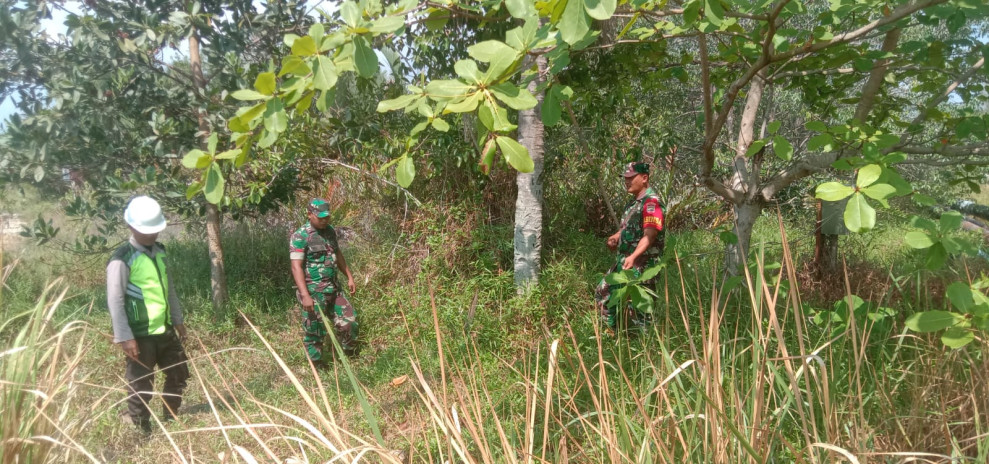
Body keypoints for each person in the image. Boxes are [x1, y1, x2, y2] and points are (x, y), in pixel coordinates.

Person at [106, 195, 189, 432]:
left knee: (179, 372)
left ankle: (171, 415)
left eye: (155, 230)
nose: (153, 235)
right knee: (141, 382)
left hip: (164, 329)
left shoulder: (160, 252)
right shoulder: (122, 259)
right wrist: (125, 337)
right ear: (131, 226)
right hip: (139, 334)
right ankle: (141, 427)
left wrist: (178, 320)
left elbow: (168, 288)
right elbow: (115, 299)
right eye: (147, 230)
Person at [595, 162, 666, 332]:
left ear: (644, 178)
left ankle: (642, 346)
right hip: (625, 262)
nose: (626, 181)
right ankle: (611, 334)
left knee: (640, 306)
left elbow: (650, 235)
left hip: (642, 264)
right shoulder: (633, 204)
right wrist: (615, 237)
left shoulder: (651, 203)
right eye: (625, 178)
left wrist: (633, 257)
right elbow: (627, 229)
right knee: (604, 293)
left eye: (630, 178)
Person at [289, 198, 358, 366]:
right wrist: (305, 295)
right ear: (309, 214)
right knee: (314, 328)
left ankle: (350, 353)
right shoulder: (300, 236)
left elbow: (337, 253)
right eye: (320, 217)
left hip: (334, 288)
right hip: (313, 291)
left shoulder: (330, 231)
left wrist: (349, 276)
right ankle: (317, 363)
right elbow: (296, 267)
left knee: (349, 320)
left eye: (327, 217)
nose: (324, 220)